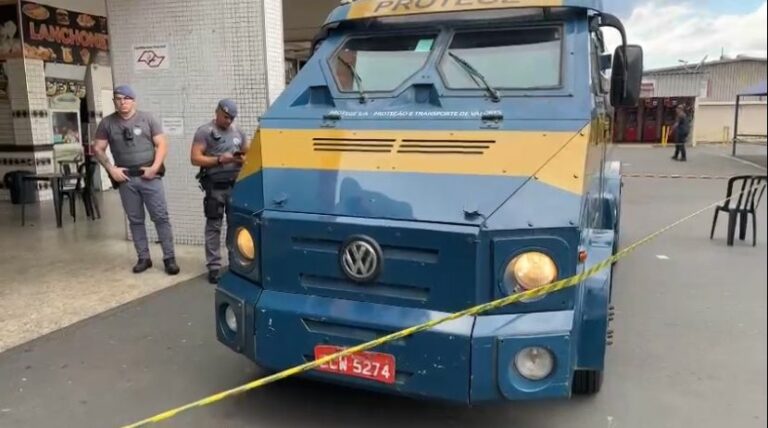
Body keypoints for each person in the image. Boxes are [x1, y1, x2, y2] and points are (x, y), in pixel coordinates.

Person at [93, 85, 180, 275]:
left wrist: (155, 167)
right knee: (135, 220)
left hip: (150, 176)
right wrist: (111, 169)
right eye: (118, 99)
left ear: (134, 101)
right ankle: (143, 257)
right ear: (114, 101)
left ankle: (169, 258)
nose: (122, 102)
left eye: (126, 98)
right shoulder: (107, 123)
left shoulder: (147, 119)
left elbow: (162, 144)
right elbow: (98, 148)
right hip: (126, 179)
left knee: (161, 217)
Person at [190, 99, 248, 284]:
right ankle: (214, 267)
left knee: (235, 226)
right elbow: (195, 158)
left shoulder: (238, 132)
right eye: (225, 117)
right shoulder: (204, 132)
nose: (228, 121)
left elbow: (248, 153)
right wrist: (219, 160)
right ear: (217, 112)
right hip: (215, 187)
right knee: (214, 226)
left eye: (232, 118)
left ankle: (235, 262)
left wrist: (242, 159)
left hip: (236, 186)